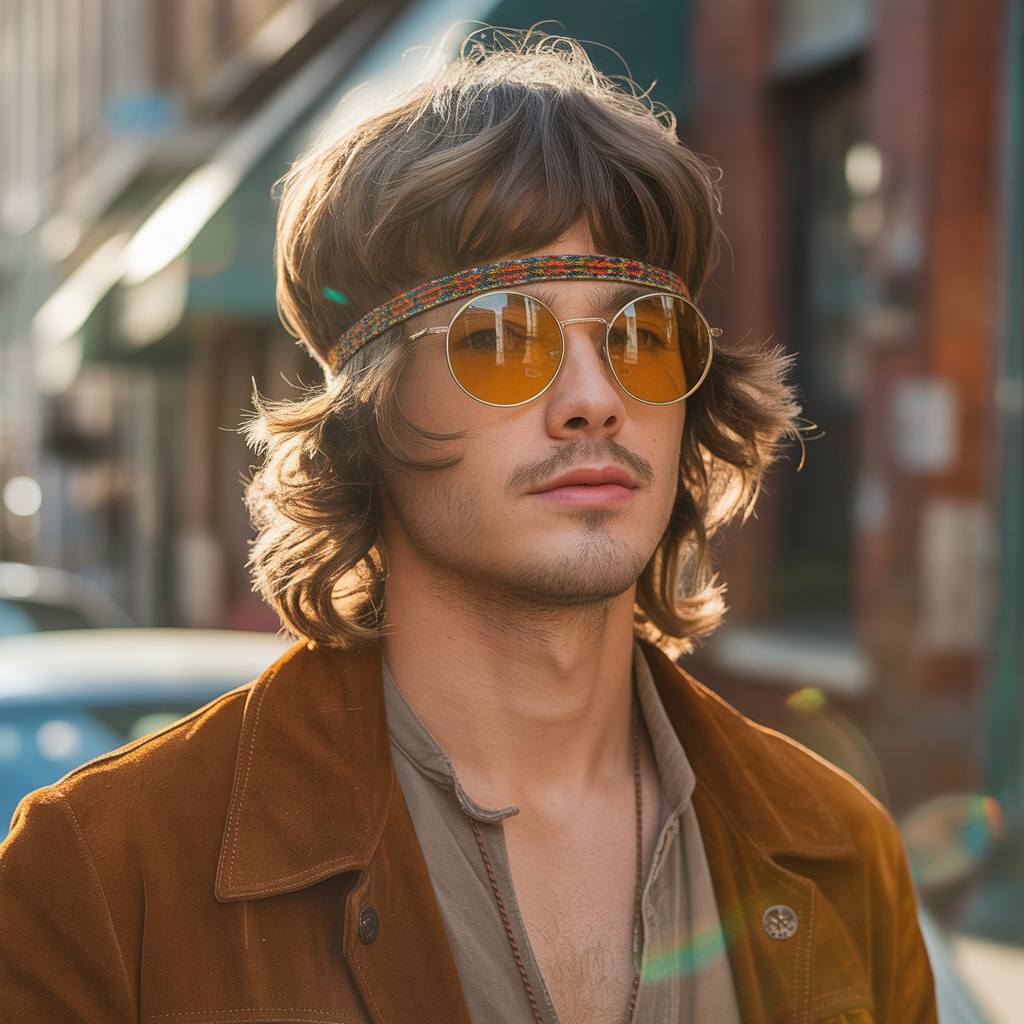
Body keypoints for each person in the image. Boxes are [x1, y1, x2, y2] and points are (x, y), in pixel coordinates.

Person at [0, 32, 936, 1024]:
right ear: (367, 405)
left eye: (641, 335)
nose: (593, 400)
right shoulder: (103, 874)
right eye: (500, 334)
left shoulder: (835, 848)